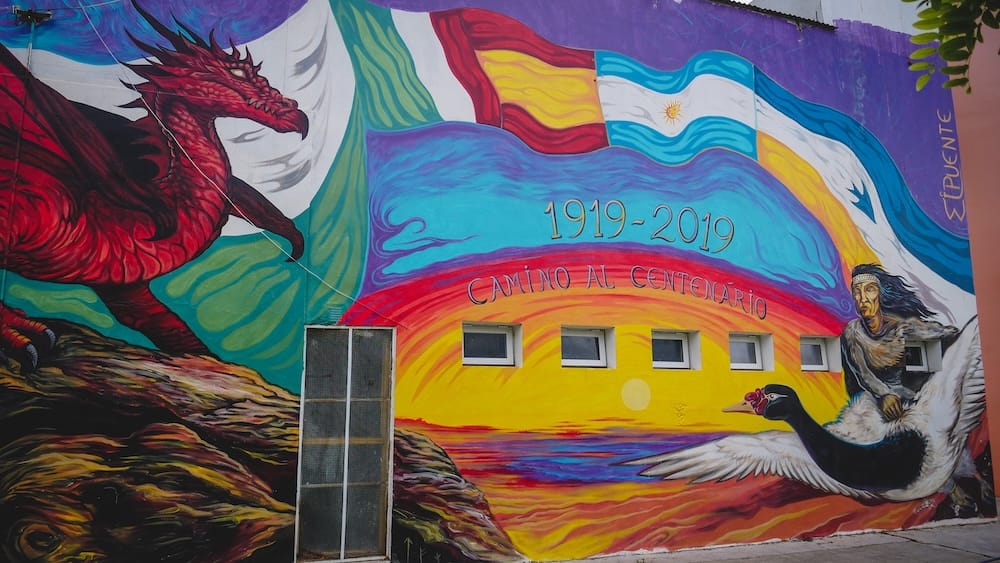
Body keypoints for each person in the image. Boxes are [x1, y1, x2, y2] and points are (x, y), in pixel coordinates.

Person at [840, 264, 958, 421]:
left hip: (912, 404)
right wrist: (884, 395)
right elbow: (863, 373)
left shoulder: (904, 329)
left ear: (880, 294)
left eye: (869, 289)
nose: (862, 298)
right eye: (857, 291)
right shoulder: (852, 332)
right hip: (875, 406)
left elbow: (947, 334)